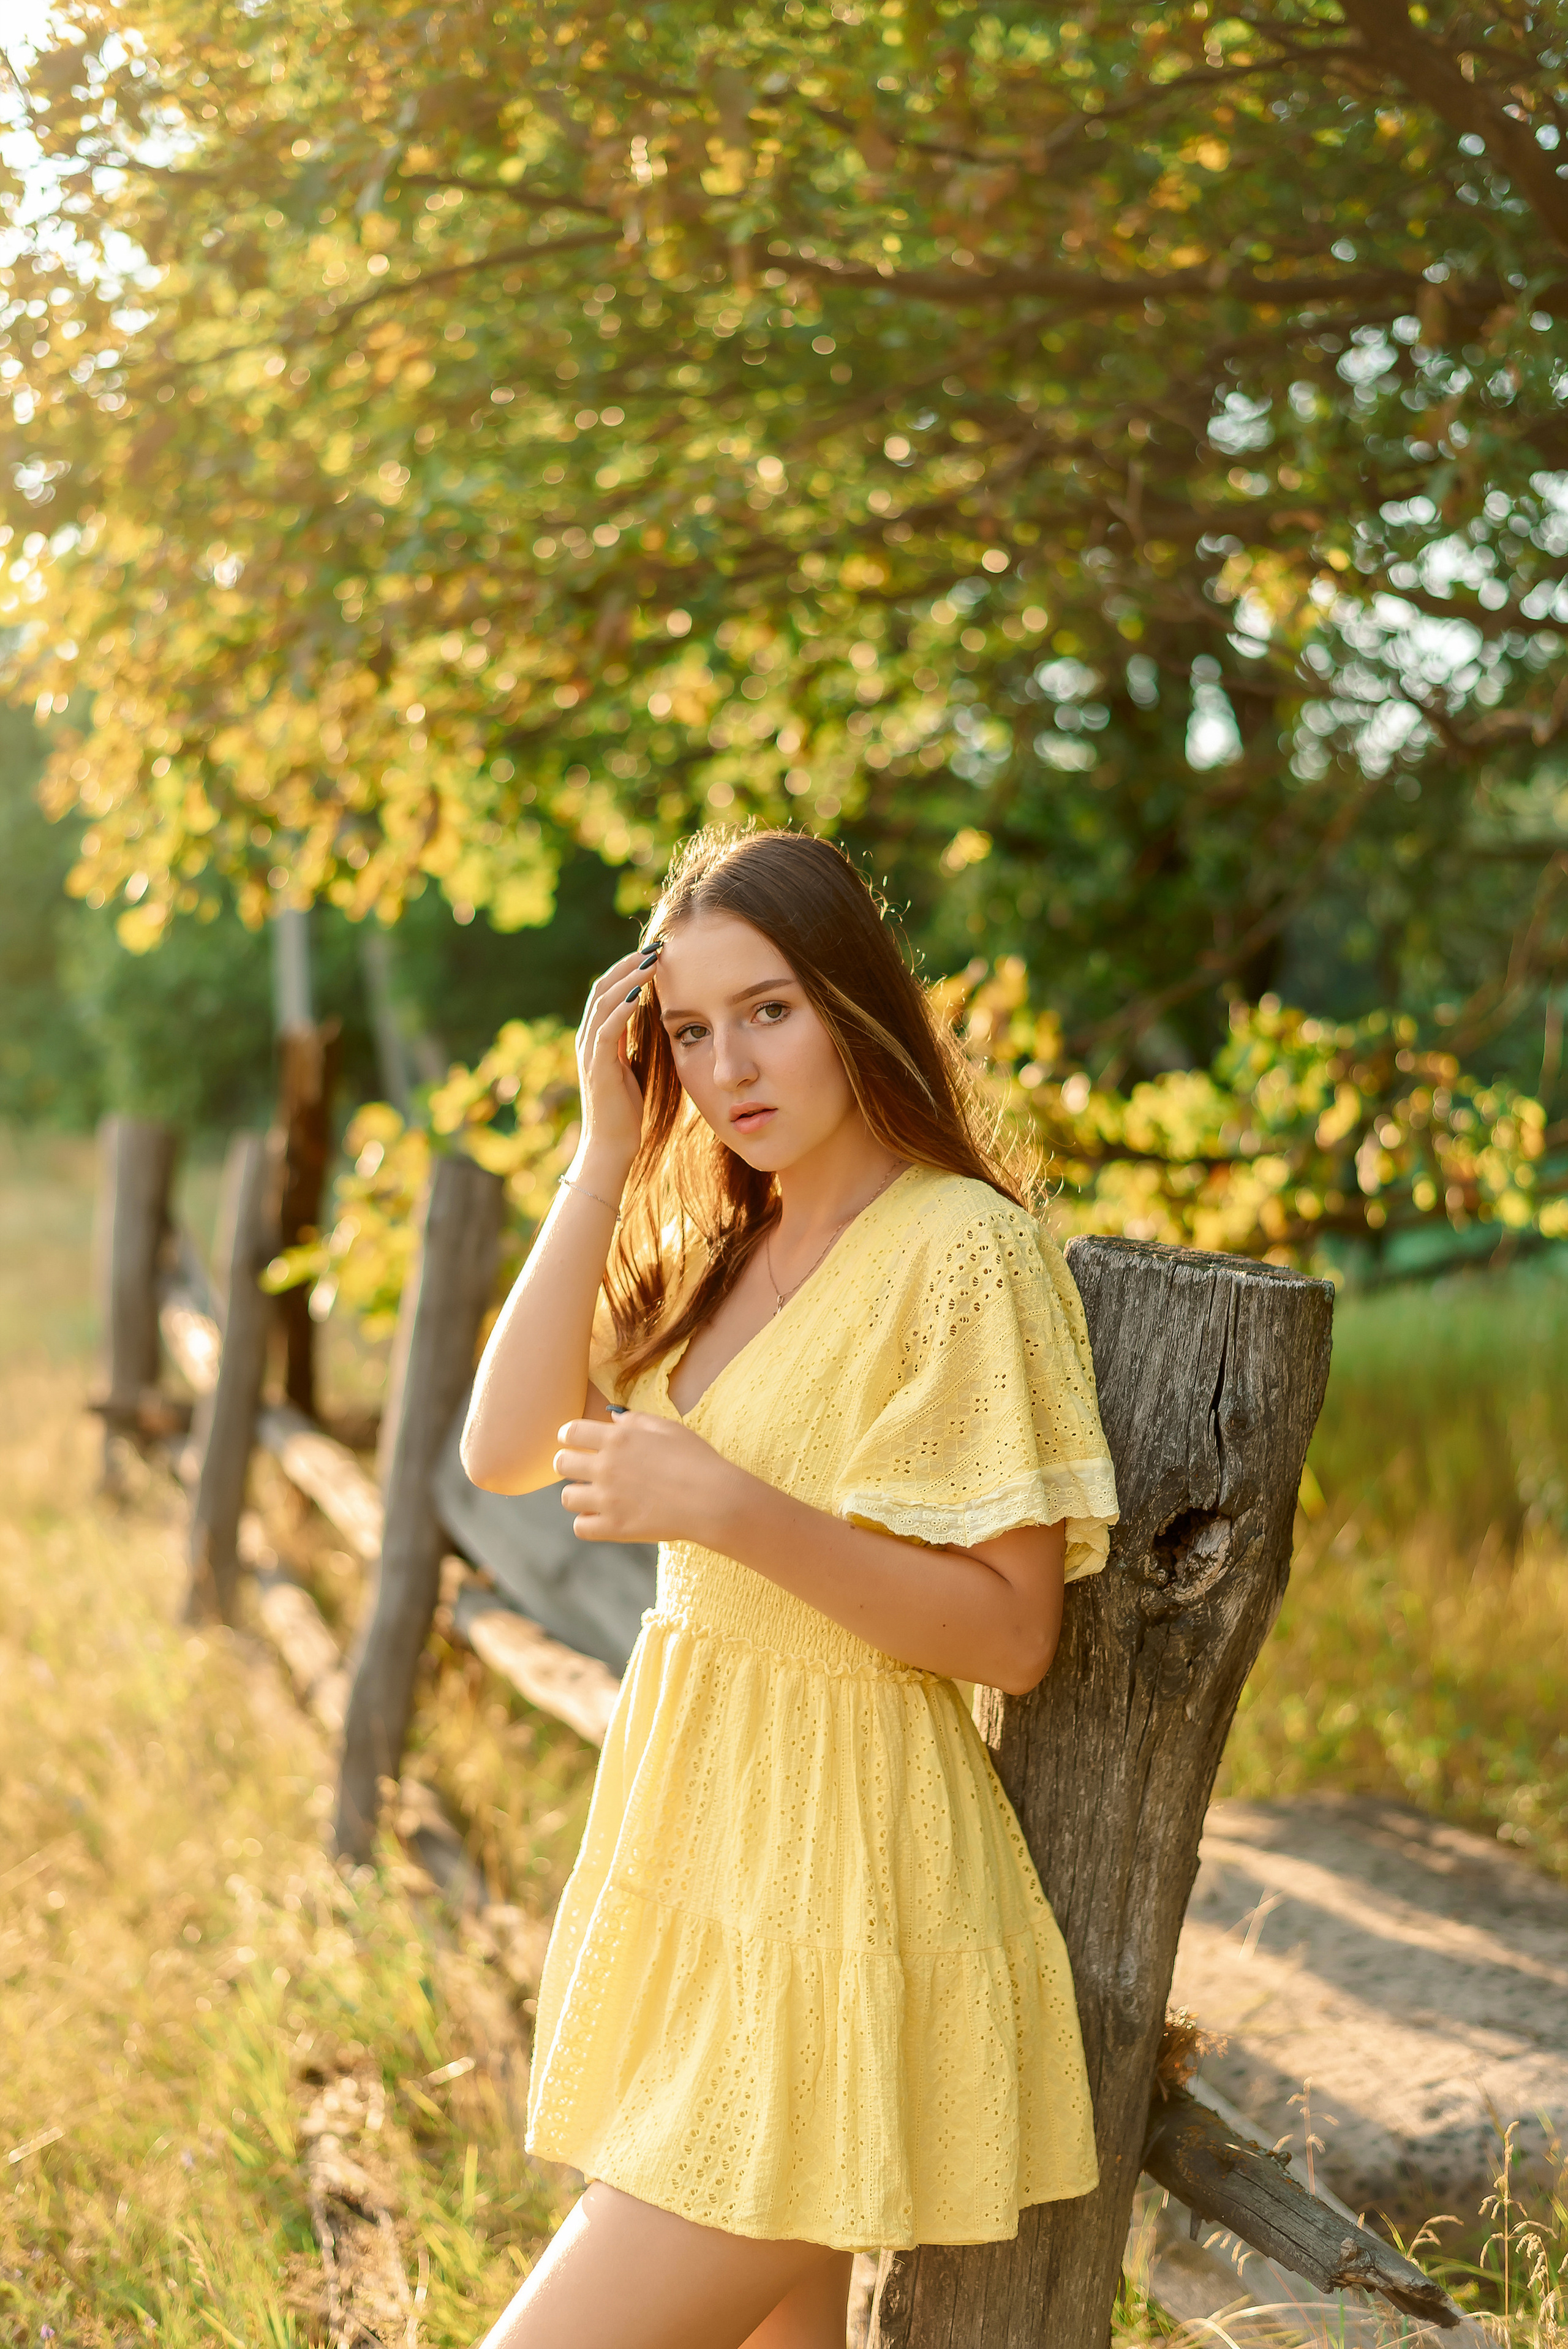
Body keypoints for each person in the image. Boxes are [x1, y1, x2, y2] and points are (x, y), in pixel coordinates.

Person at [460, 827, 1118, 2349]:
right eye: (690, 1032)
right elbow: (500, 1449)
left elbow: (1013, 1631)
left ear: (852, 1002)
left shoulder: (960, 1252)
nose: (730, 1068)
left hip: (845, 1883)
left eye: (768, 1010)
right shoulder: (715, 1240)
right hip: (710, 1861)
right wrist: (602, 1153)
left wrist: (727, 1509)